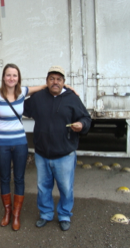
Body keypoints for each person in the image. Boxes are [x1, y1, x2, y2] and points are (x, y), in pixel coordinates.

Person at [23, 65, 91, 231]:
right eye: (51, 79)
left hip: (64, 154)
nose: (55, 82)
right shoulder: (38, 98)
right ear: (46, 81)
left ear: (64, 82)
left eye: (59, 79)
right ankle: (46, 214)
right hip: (42, 153)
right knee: (43, 187)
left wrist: (81, 125)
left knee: (66, 187)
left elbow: (86, 118)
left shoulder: (72, 98)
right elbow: (19, 104)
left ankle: (64, 214)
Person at [0, 63, 49, 231]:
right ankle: (7, 213)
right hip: (2, 143)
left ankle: (16, 215)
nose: (11, 78)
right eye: (8, 75)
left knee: (20, 179)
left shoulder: (22, 92)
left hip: (20, 143)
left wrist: (68, 87)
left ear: (18, 78)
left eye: (15, 75)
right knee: (5, 178)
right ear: (3, 77)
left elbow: (44, 86)